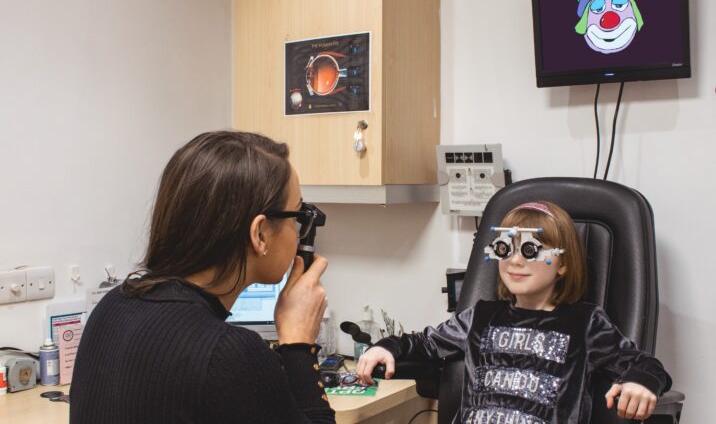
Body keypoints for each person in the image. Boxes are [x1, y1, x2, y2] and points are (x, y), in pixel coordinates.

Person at [70, 131, 335, 424]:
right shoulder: (230, 354)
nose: (300, 230)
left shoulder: (112, 306)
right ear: (260, 234)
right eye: (298, 215)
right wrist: (298, 344)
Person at [357, 201, 671, 423]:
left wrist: (641, 381)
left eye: (530, 249)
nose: (515, 261)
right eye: (506, 248)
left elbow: (644, 363)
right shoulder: (480, 317)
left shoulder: (584, 323)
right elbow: (425, 343)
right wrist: (387, 347)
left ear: (562, 263)